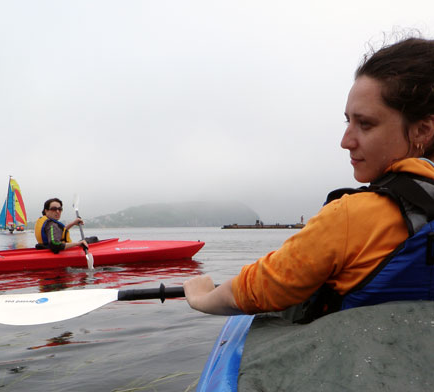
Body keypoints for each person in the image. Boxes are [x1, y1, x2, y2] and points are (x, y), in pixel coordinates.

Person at [183, 35, 434, 319]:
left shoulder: (351, 218)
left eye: (365, 124)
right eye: (347, 121)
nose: (345, 141)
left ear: (423, 131)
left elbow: (255, 290)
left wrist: (201, 296)